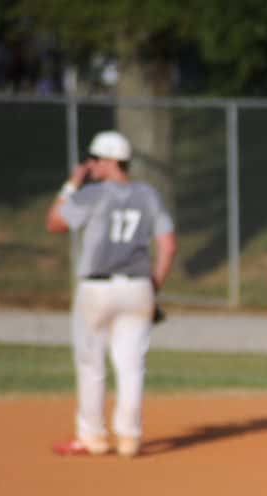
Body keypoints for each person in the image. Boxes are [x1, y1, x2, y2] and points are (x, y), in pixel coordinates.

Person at [47, 130, 177, 458]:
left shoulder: (93, 194)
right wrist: (153, 286)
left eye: (94, 159)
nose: (90, 165)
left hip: (97, 287)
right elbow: (168, 245)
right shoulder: (147, 194)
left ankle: (92, 436)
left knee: (91, 363)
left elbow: (55, 222)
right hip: (138, 286)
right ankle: (130, 437)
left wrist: (72, 184)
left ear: (108, 161)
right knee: (131, 364)